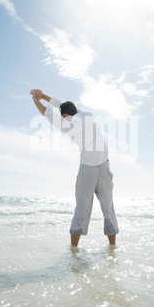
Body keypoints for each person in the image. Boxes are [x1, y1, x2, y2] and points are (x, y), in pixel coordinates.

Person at [30, 89, 119, 247]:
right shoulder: (87, 115)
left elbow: (48, 113)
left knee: (81, 209)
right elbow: (62, 105)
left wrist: (36, 100)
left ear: (65, 115)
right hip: (104, 167)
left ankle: (74, 251)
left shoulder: (68, 125)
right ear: (74, 110)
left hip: (88, 171)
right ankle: (112, 249)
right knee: (108, 208)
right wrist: (43, 96)